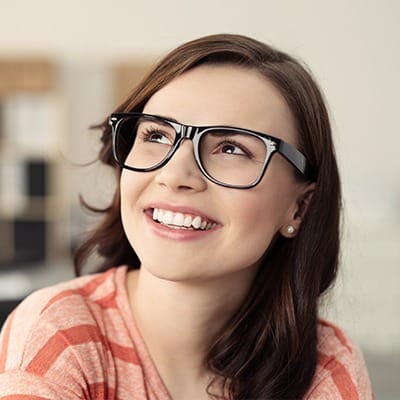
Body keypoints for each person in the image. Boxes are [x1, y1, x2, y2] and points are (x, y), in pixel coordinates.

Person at [0, 34, 373, 399]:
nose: (175, 175)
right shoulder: (60, 333)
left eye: (231, 148)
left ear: (300, 207)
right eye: (157, 136)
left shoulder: (326, 363)